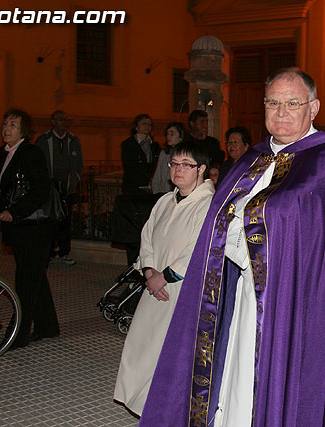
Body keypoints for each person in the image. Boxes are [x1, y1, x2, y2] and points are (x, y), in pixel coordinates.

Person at [140, 67, 325, 427]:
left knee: (271, 374)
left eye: (292, 103)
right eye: (273, 102)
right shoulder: (252, 157)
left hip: (294, 298)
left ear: (314, 107)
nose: (280, 112)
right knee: (236, 370)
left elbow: (323, 241)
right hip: (242, 291)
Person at [114, 142, 215, 416]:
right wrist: (148, 271)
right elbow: (146, 237)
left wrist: (165, 277)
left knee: (170, 353)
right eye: (175, 164)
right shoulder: (164, 200)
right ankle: (143, 404)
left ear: (202, 169)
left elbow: (197, 248)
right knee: (142, 347)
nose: (178, 169)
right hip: (153, 286)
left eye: (186, 164)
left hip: (179, 291)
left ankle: (164, 409)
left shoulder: (208, 205)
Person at [0, 109, 60, 348]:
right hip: (21, 229)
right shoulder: (3, 153)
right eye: (5, 123)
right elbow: (1, 191)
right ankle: (48, 327)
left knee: (25, 282)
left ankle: (18, 335)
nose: (7, 128)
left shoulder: (30, 152)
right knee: (35, 278)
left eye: (13, 124)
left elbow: (40, 190)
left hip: (36, 228)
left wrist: (14, 212)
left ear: (23, 130)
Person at [35, 110, 83, 265]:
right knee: (48, 222)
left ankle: (64, 253)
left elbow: (78, 164)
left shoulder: (73, 140)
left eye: (65, 119)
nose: (63, 122)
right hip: (49, 189)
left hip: (67, 189)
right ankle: (47, 253)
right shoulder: (44, 140)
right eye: (59, 119)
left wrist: (73, 181)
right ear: (53, 122)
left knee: (65, 221)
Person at [121, 114, 160, 195]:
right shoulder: (128, 144)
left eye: (149, 124)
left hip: (150, 187)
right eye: (144, 123)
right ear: (136, 127)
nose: (147, 126)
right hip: (133, 187)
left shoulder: (155, 145)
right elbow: (129, 166)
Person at [151, 122, 185, 194]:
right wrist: (156, 194)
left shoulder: (185, 155)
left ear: (181, 137)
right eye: (167, 134)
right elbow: (157, 177)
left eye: (172, 134)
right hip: (162, 193)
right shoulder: (164, 153)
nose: (168, 137)